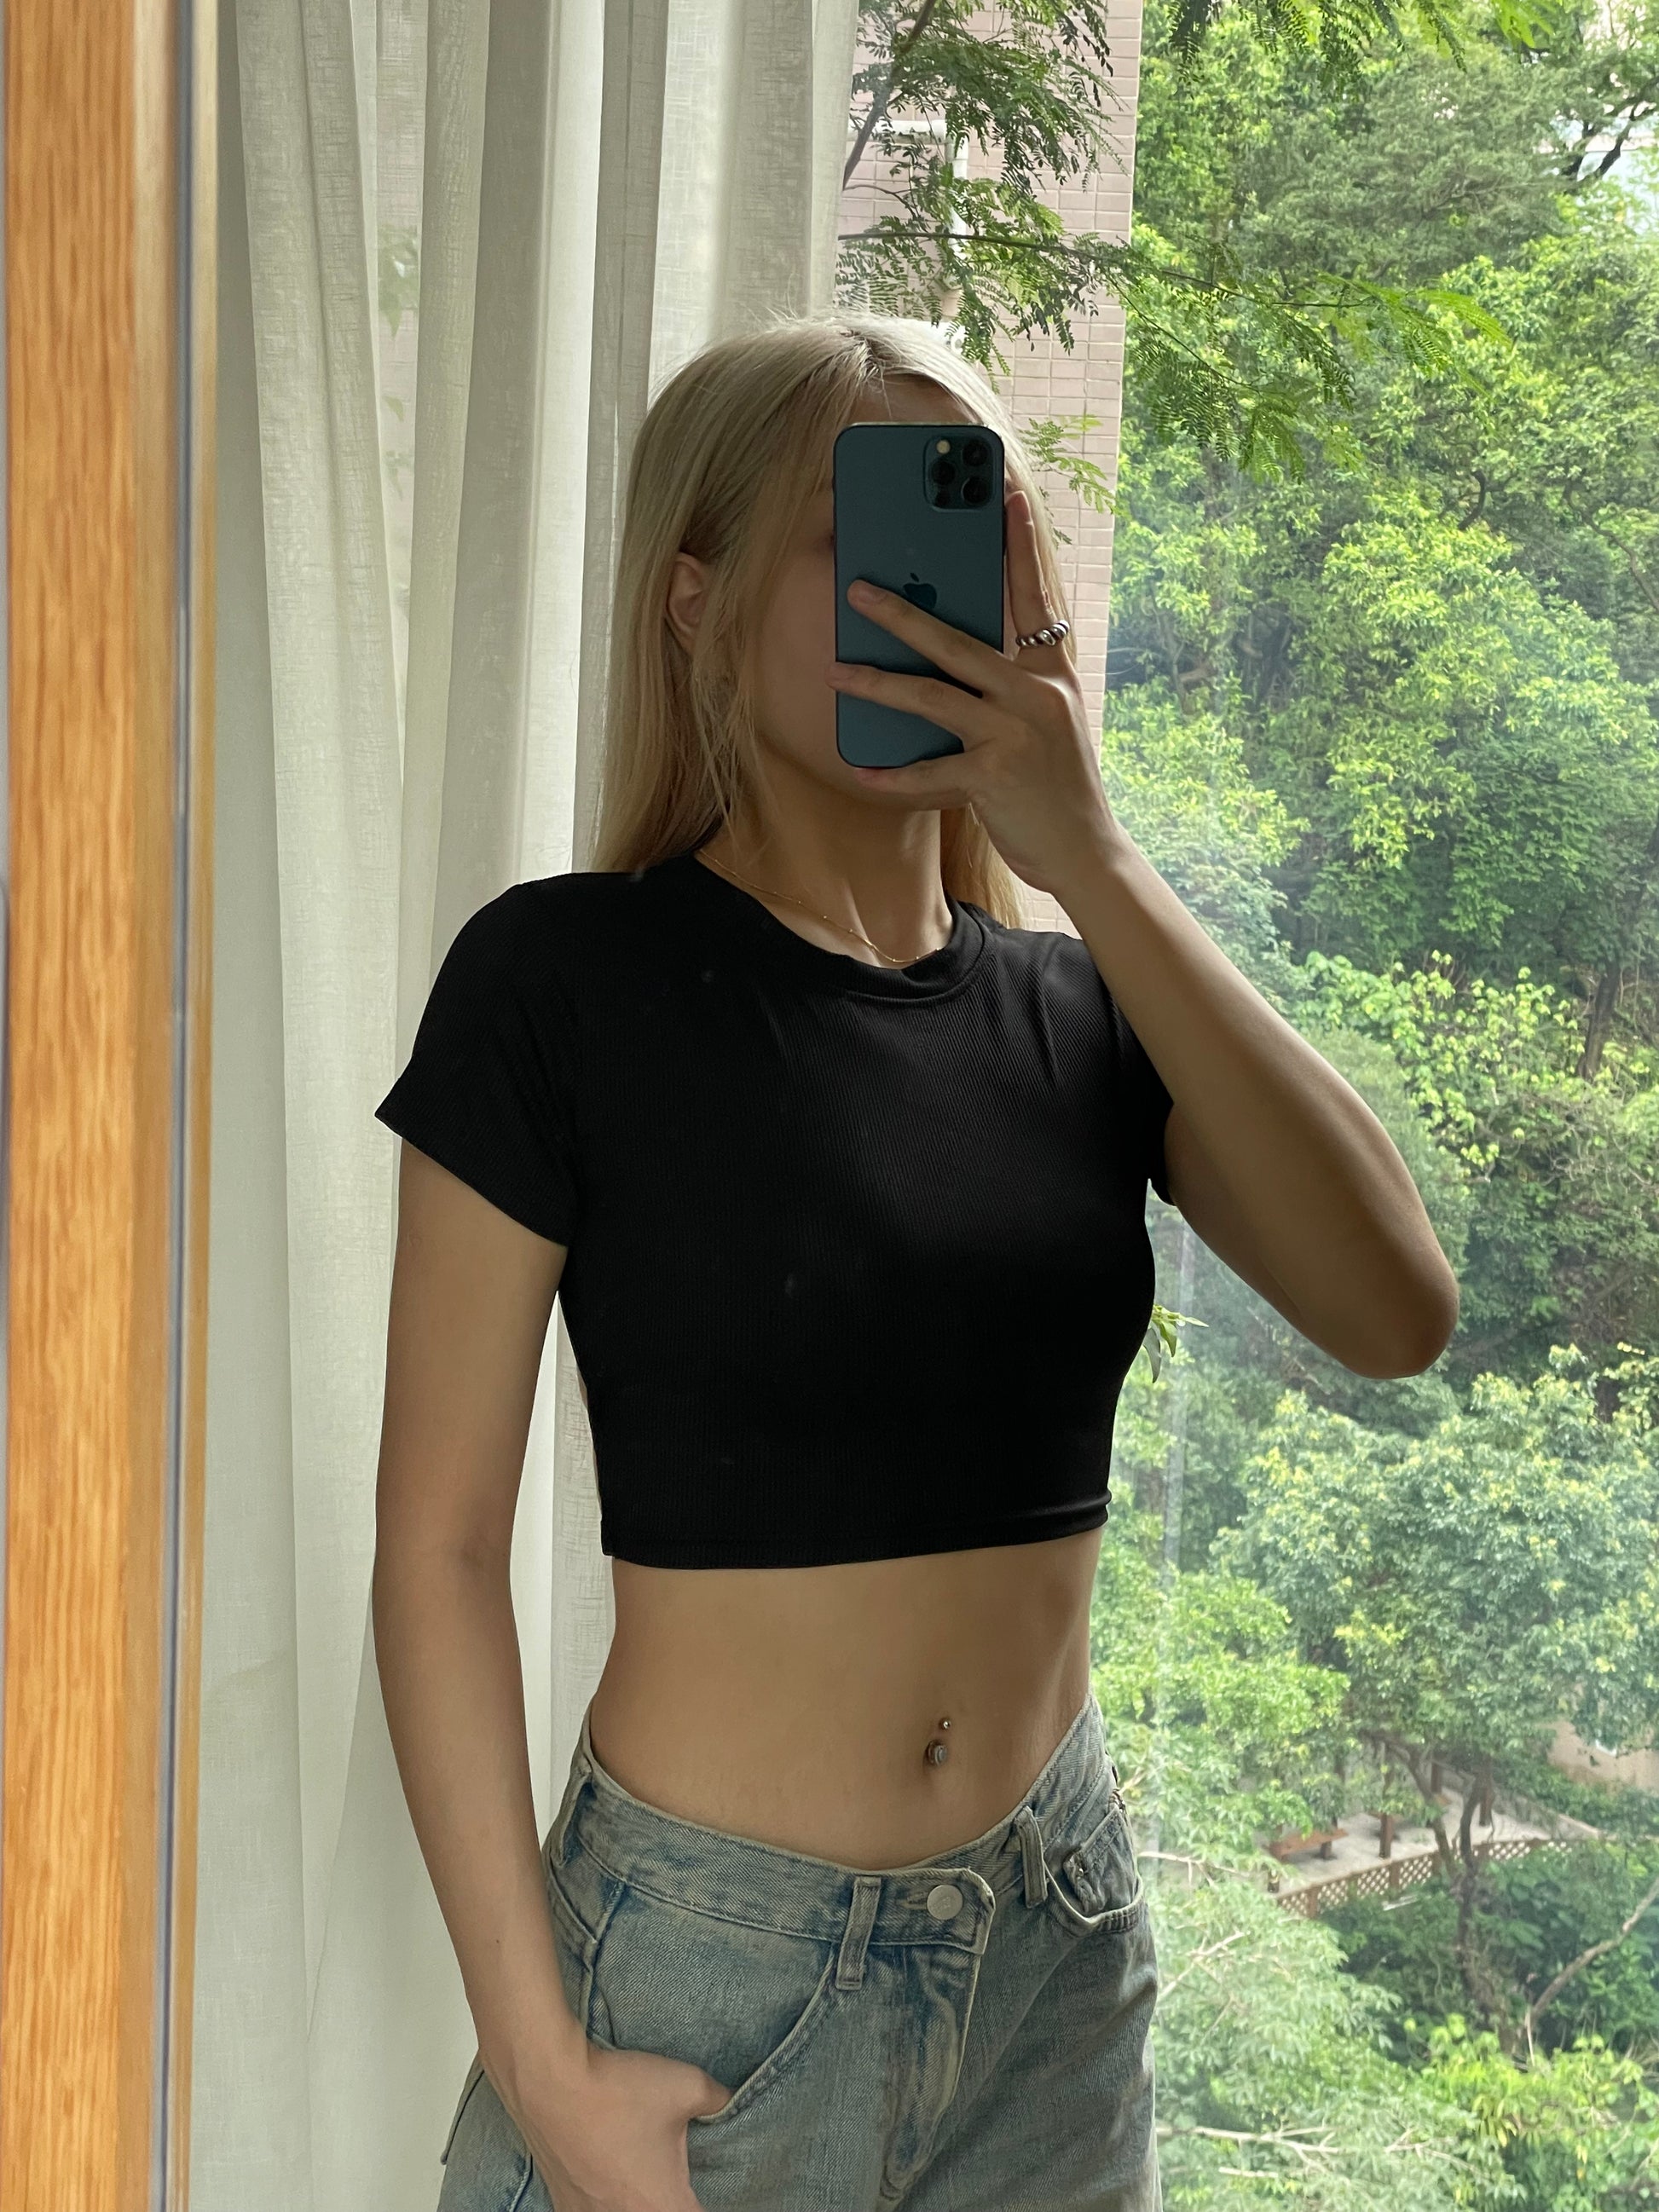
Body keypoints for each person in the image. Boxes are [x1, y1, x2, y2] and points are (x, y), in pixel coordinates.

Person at [371, 312, 1460, 2212]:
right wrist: (542, 2065)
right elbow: (439, 1552)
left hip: (1055, 1953)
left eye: (971, 530)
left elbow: (1394, 1308)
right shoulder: (562, 982)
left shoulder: (1083, 1007)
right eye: (852, 533)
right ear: (695, 601)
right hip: (715, 1976)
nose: (923, 592)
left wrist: (1090, 853)